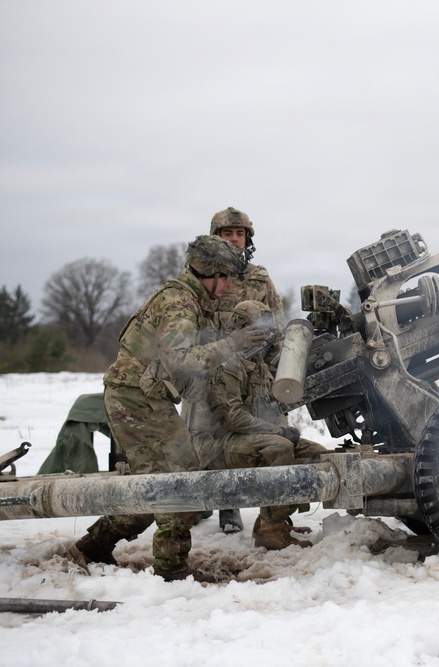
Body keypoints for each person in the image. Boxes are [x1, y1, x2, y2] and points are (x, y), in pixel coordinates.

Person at [68, 235, 271, 582]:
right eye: (224, 277)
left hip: (143, 397)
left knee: (156, 483)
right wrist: (234, 344)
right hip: (134, 399)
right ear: (208, 273)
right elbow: (180, 361)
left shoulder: (191, 298)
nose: (227, 286)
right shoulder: (179, 301)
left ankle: (93, 546)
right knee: (179, 479)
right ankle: (171, 570)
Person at [197, 300, 328, 550]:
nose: (266, 334)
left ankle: (274, 518)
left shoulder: (258, 365)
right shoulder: (229, 365)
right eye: (259, 328)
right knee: (279, 449)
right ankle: (271, 530)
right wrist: (277, 432)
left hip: (251, 438)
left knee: (316, 453)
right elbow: (232, 417)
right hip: (222, 444)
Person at [186, 206, 284, 533]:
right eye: (227, 234)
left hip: (254, 373)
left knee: (263, 436)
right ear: (216, 238)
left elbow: (276, 327)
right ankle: (212, 503)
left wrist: (278, 371)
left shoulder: (259, 279)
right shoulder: (203, 277)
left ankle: (268, 516)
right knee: (207, 440)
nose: (234, 239)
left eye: (239, 234)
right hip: (210, 370)